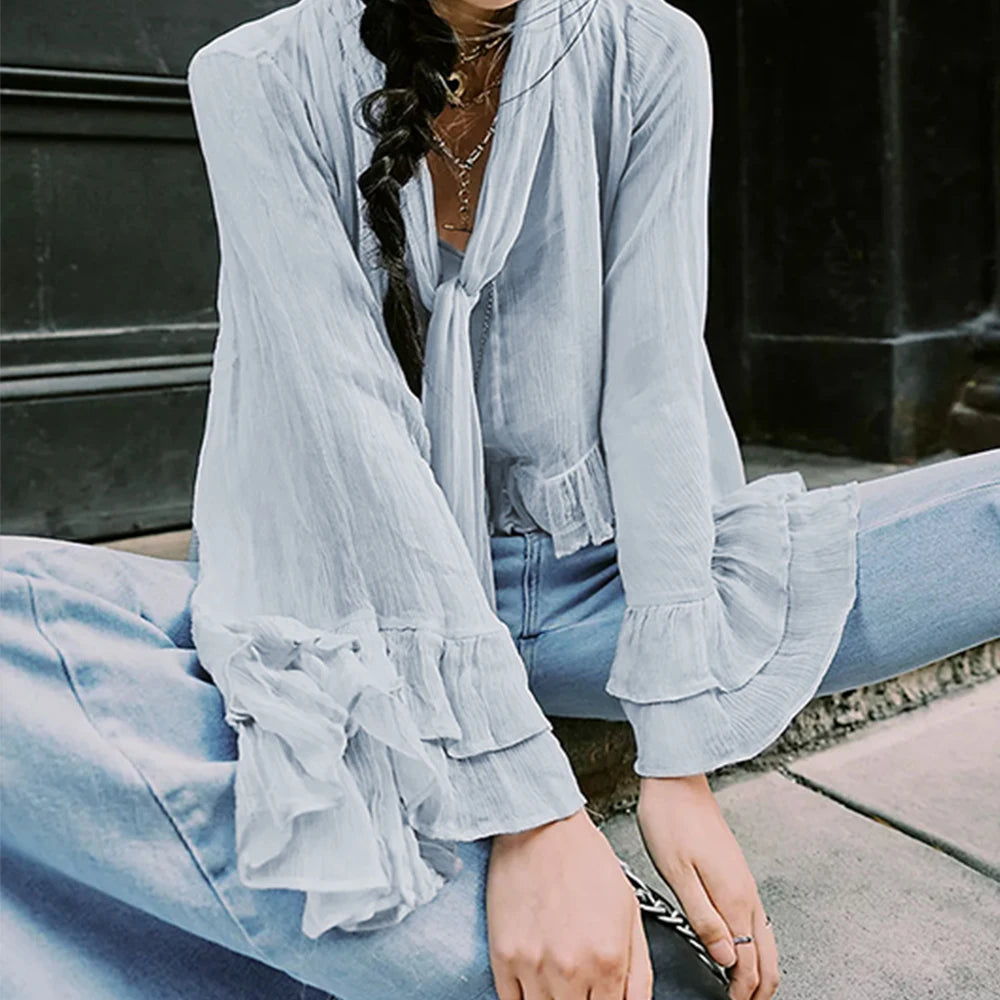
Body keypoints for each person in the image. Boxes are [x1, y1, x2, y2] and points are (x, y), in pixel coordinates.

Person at [2, 0, 999, 996]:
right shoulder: (255, 76)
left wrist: (677, 751)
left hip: (598, 589)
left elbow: (653, 384)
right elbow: (350, 437)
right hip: (369, 619)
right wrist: (533, 809)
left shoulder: (646, 48)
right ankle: (621, 965)